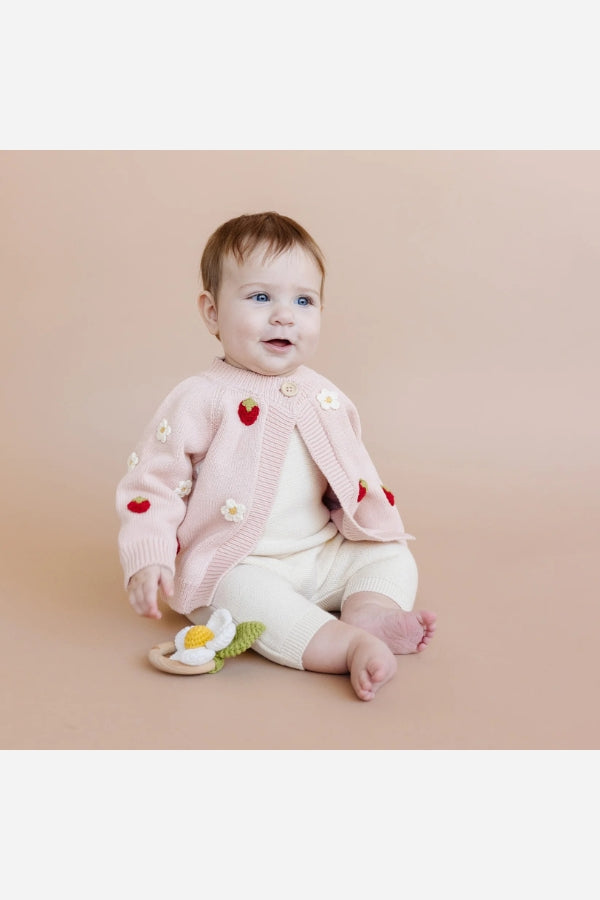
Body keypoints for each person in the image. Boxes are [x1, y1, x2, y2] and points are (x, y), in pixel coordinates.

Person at [116, 212, 436, 701]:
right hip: (237, 563)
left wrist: (368, 521)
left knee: (391, 554)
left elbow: (352, 475)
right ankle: (342, 645)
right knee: (244, 598)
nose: (284, 315)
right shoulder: (199, 398)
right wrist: (149, 556)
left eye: (303, 301)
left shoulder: (326, 395)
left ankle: (368, 608)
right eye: (261, 297)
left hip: (322, 553)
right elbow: (153, 485)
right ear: (211, 313)